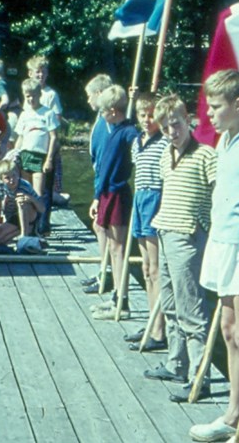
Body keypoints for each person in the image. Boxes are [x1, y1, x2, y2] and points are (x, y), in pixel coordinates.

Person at [188, 70, 239, 441]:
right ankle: (234, 412)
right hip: (222, 241)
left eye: (216, 106)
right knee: (228, 329)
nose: (209, 113)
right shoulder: (225, 139)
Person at [142, 94, 217, 403]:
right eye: (166, 126)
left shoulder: (206, 155)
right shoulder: (164, 155)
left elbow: (220, 194)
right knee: (170, 303)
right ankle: (177, 363)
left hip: (188, 236)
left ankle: (202, 377)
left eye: (176, 123)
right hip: (165, 232)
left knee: (192, 308)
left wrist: (206, 227)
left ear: (189, 121)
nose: (171, 131)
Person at [89, 85, 139, 320]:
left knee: (118, 248)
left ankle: (123, 301)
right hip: (106, 192)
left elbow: (139, 143)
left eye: (103, 112)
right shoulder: (115, 130)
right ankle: (116, 296)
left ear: (112, 111)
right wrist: (98, 196)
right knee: (111, 245)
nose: (102, 116)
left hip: (118, 193)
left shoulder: (127, 131)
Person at [123, 91, 169, 350]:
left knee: (155, 268)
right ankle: (152, 322)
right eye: (143, 114)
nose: (147, 119)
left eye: (152, 115)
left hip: (155, 198)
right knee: (145, 269)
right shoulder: (137, 141)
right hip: (140, 199)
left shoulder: (164, 142)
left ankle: (159, 331)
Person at [81, 73, 114, 294]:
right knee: (99, 226)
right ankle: (105, 269)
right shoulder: (101, 121)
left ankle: (107, 273)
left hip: (105, 183)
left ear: (100, 94)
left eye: (89, 95)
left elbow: (103, 158)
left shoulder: (106, 124)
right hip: (100, 179)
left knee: (102, 227)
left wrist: (96, 193)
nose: (88, 100)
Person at [26, 55, 64, 233]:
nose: (40, 75)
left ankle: (43, 224)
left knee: (45, 189)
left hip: (46, 149)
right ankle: (29, 223)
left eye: (43, 72)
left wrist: (51, 153)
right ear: (30, 73)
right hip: (30, 150)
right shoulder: (27, 92)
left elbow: (56, 121)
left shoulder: (51, 95)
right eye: (37, 72)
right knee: (28, 187)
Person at [13, 78, 60, 207]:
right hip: (25, 155)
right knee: (24, 191)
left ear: (39, 95)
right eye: (28, 96)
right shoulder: (24, 115)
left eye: (34, 96)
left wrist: (49, 159)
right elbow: (20, 138)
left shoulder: (48, 113)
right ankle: (28, 223)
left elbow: (54, 137)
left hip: (40, 157)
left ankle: (40, 223)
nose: (31, 99)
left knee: (38, 193)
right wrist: (13, 156)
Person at [0, 158, 44, 246]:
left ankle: (24, 235)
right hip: (13, 217)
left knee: (21, 200)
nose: (12, 180)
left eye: (14, 176)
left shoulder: (24, 185)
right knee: (0, 238)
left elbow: (42, 209)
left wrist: (30, 198)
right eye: (7, 178)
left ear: (18, 174)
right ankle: (28, 230)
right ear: (1, 179)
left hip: (30, 215)